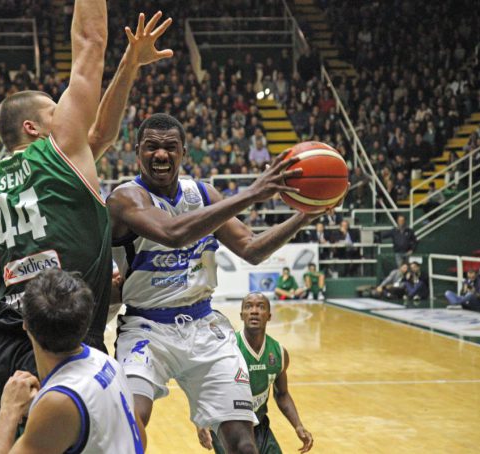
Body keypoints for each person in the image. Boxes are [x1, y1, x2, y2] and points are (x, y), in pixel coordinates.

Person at [0, 8, 174, 452]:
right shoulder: (59, 154)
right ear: (33, 127)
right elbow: (90, 43)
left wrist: (129, 65)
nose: (69, 118)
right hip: (59, 348)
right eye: (56, 113)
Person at [109, 113, 324, 454]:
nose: (161, 154)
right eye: (151, 147)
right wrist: (251, 194)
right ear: (137, 152)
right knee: (131, 423)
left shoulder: (203, 194)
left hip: (205, 327)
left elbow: (252, 249)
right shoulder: (125, 198)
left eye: (170, 147)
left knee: (243, 444)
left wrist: (305, 215)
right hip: (146, 329)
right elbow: (172, 233)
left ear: (183, 153)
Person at [0, 269, 146, 454]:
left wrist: (9, 410)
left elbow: (66, 410)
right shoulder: (108, 363)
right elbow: (140, 441)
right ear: (85, 323)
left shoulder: (59, 402)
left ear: (25, 324)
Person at [197, 293, 313, 454]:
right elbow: (203, 387)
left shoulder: (278, 353)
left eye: (261, 306)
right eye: (248, 306)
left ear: (269, 316)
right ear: (242, 315)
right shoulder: (228, 349)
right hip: (228, 427)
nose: (254, 311)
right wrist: (200, 422)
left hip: (259, 425)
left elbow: (282, 394)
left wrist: (298, 425)